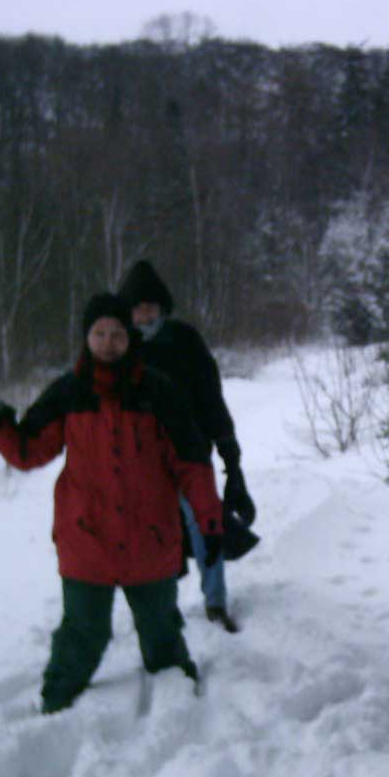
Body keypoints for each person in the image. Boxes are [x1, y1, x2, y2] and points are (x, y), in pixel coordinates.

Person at [0, 292, 223, 713]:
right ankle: (56, 702)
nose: (109, 342)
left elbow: (192, 463)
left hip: (151, 539)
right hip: (87, 540)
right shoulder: (68, 393)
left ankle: (183, 706)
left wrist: (210, 521)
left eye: (118, 334)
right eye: (99, 333)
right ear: (86, 338)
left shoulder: (158, 392)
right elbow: (28, 450)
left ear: (131, 338)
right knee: (82, 632)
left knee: (161, 629)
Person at [118, 260, 255, 634]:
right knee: (152, 536)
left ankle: (215, 602)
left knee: (205, 526)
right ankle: (162, 608)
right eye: (137, 307)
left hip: (191, 453)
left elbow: (211, 397)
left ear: (162, 306)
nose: (145, 313)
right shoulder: (120, 349)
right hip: (143, 462)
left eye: (150, 306)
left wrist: (231, 456)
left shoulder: (185, 339)